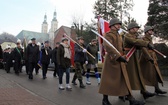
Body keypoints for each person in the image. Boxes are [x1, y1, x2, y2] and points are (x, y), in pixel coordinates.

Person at [99, 18, 145, 105]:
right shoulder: (108, 35)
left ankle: (131, 100)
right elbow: (108, 47)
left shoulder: (119, 35)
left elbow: (121, 48)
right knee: (107, 81)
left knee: (124, 80)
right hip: (112, 61)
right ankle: (105, 100)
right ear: (112, 26)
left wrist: (124, 55)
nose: (119, 26)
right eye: (117, 24)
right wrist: (118, 57)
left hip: (120, 60)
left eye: (119, 24)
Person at [124, 22, 155, 100]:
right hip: (128, 57)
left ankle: (143, 91)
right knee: (129, 76)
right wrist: (146, 43)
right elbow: (135, 42)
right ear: (131, 29)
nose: (137, 29)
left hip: (134, 56)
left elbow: (139, 46)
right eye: (136, 28)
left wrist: (144, 44)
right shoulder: (127, 36)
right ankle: (127, 94)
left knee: (138, 74)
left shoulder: (135, 36)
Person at [139, 26, 167, 95]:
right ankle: (143, 90)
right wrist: (149, 57)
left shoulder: (150, 38)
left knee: (155, 73)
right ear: (146, 31)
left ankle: (157, 89)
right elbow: (144, 49)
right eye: (150, 30)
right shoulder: (143, 38)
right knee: (144, 75)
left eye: (152, 30)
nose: (151, 31)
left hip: (152, 56)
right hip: (146, 58)